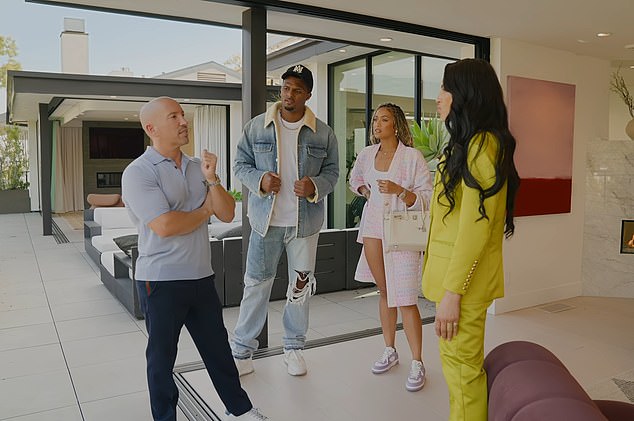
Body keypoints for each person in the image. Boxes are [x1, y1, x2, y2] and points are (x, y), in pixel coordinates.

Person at [122, 97, 268, 421]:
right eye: (173, 116)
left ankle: (240, 410)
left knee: (218, 352)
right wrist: (205, 211)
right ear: (152, 128)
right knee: (162, 360)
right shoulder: (138, 173)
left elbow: (228, 211)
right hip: (160, 280)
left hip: (201, 275)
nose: (183, 121)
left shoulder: (195, 167)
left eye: (183, 115)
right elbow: (164, 225)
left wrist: (212, 178)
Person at [421, 59, 521, 421]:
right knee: (459, 371)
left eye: (445, 89)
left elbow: (475, 228)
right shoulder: (473, 143)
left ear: (465, 94)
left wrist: (453, 294)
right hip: (456, 282)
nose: (438, 97)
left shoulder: (482, 145)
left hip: (461, 285)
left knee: (463, 376)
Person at [231, 64, 339, 377]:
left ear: (308, 95)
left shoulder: (324, 132)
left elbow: (332, 171)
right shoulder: (257, 127)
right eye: (286, 87)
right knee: (256, 285)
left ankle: (293, 348)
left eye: (296, 90)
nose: (288, 94)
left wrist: (315, 187)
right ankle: (242, 352)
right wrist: (260, 179)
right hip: (266, 223)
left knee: (300, 289)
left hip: (304, 226)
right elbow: (240, 164)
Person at [349, 103, 433, 392]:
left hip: (403, 229)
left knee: (406, 297)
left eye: (383, 119)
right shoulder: (366, 154)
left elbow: (428, 196)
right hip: (373, 227)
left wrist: (400, 191)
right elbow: (355, 179)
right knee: (385, 292)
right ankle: (390, 349)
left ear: (396, 124)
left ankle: (418, 361)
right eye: (374, 119)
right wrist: (364, 190)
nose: (377, 123)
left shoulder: (412, 157)